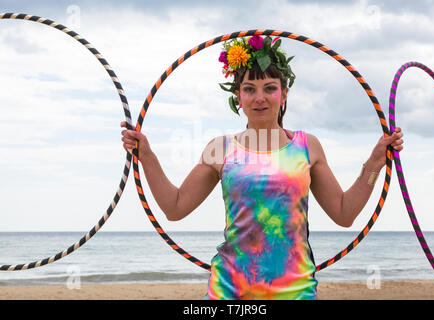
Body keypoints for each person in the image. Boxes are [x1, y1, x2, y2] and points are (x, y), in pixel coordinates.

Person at [120, 35, 404, 300]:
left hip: (296, 289)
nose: (260, 98)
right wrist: (146, 155)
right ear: (238, 97)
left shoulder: (307, 146)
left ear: (284, 94)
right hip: (230, 290)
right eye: (249, 89)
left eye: (270, 88)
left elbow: (344, 213)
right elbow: (175, 207)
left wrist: (375, 163)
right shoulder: (220, 149)